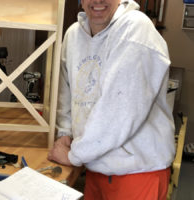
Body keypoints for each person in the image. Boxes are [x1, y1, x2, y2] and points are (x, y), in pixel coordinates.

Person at [48, 0, 175, 199]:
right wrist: (65, 131)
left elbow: (119, 111)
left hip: (136, 172)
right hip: (95, 167)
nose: (98, 1)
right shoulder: (73, 35)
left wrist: (74, 155)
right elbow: (67, 89)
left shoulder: (136, 29)